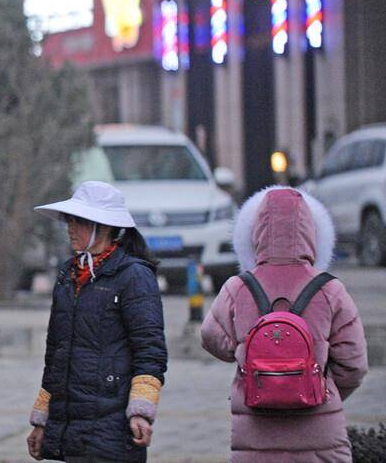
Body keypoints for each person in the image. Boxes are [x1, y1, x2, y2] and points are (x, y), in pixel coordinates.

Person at [201, 186, 368, 462]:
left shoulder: (239, 287)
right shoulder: (330, 290)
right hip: (320, 436)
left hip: (255, 434)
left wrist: (247, 357)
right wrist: (316, 386)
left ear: (255, 231)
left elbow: (210, 336)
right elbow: (354, 365)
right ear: (312, 232)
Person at [27, 181, 167, 462]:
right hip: (71, 423)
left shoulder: (133, 276)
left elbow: (149, 350)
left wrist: (141, 411)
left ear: (103, 227)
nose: (70, 228)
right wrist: (42, 419)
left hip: (112, 424)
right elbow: (56, 353)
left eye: (78, 222)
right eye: (69, 221)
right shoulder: (69, 275)